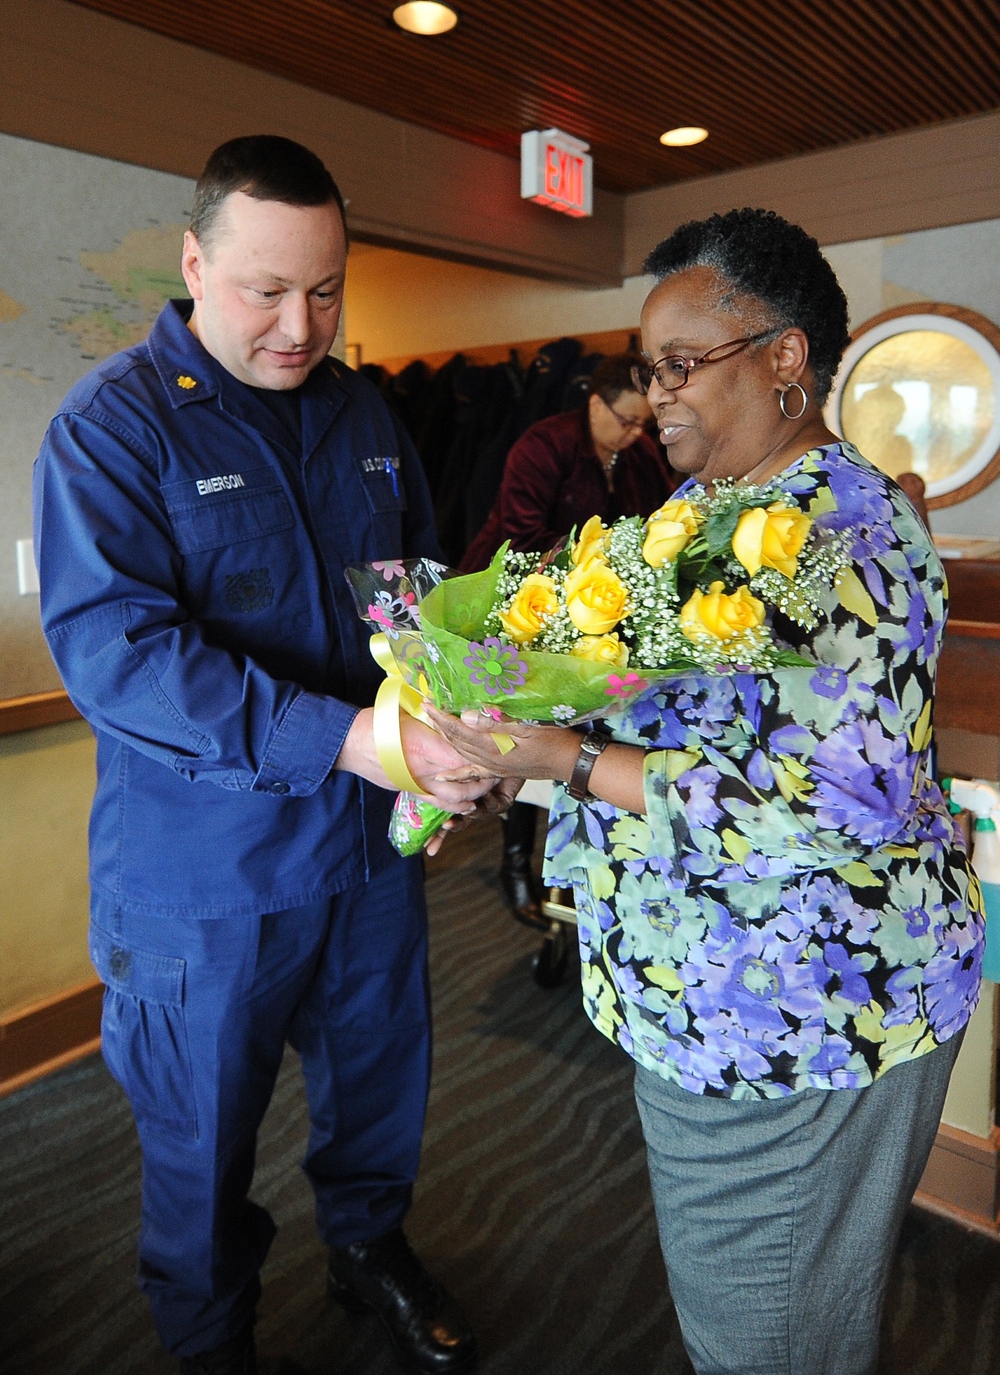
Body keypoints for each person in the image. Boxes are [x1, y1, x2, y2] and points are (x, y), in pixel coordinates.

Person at [426, 208, 983, 1375]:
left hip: (799, 1009)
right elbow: (641, 697)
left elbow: (835, 799)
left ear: (786, 356)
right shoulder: (700, 511)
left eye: (683, 364)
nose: (656, 395)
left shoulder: (847, 527)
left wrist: (563, 764)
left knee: (767, 1334)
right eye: (648, 369)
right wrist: (503, 736)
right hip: (703, 990)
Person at [33, 136, 496, 1375]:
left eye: (328, 288)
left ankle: (367, 1247)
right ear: (195, 264)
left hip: (364, 851)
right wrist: (351, 736)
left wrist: (447, 724)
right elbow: (121, 657)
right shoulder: (109, 432)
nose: (303, 324)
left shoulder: (362, 409)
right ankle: (210, 1337)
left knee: (382, 1085)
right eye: (265, 290)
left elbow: (413, 595)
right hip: (205, 875)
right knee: (200, 1145)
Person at [461, 356, 674, 928]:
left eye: (644, 425)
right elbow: (522, 535)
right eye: (627, 422)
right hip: (516, 607)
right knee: (522, 733)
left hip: (588, 614)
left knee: (577, 734)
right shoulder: (544, 444)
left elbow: (655, 524)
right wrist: (598, 569)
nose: (636, 434)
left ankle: (574, 861)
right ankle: (514, 863)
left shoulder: (638, 453)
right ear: (595, 402)